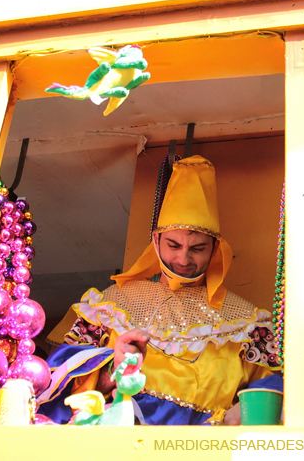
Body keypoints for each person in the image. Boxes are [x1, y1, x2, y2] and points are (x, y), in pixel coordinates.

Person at [37, 156, 281, 425]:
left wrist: (243, 414)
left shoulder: (246, 323)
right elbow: (55, 382)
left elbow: (280, 391)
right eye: (173, 245)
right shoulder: (110, 305)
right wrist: (111, 369)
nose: (184, 259)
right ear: (155, 240)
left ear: (215, 248)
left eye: (197, 248)